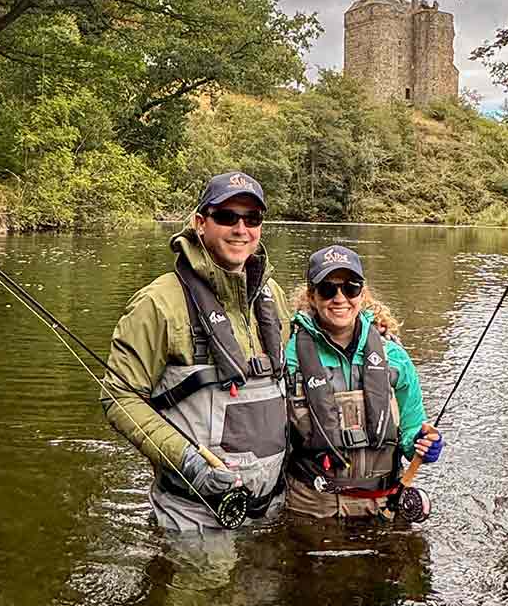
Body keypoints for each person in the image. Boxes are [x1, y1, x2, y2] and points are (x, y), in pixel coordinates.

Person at [102, 172, 291, 533]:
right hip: (194, 514)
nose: (241, 229)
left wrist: (376, 327)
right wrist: (189, 462)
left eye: (252, 219)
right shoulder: (157, 303)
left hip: (272, 511)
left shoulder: (273, 296)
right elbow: (118, 397)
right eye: (226, 217)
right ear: (200, 224)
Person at [285, 244, 443, 520]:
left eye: (350, 287)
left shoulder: (395, 357)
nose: (340, 298)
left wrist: (421, 442)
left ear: (362, 293)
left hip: (382, 506)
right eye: (327, 289)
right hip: (309, 509)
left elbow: (409, 433)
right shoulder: (289, 355)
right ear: (312, 295)